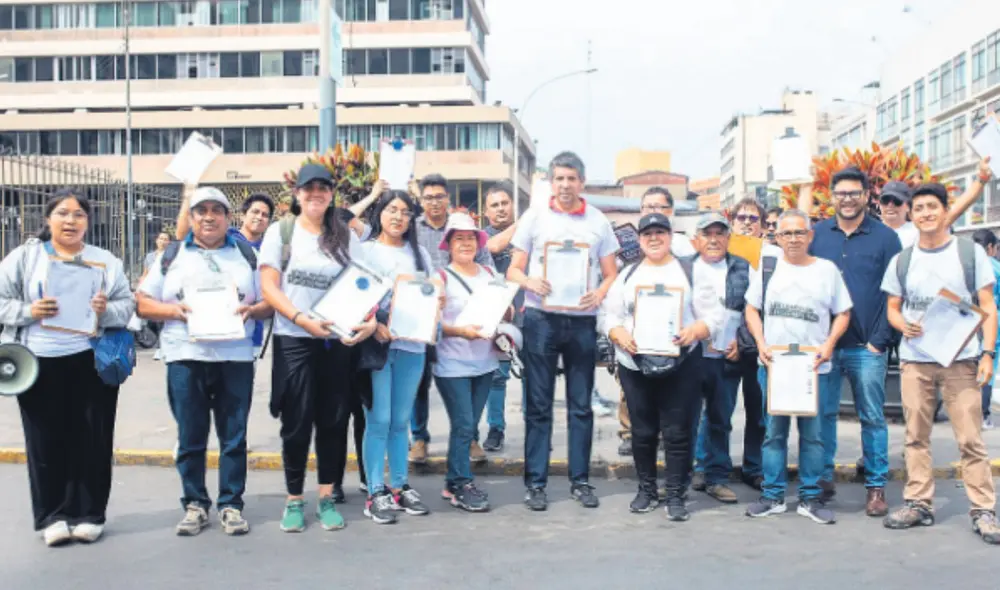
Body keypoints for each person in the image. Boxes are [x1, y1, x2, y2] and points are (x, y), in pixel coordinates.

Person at [0, 189, 134, 546]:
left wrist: (106, 310)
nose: (70, 221)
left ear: (88, 222)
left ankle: (90, 513)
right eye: (62, 213)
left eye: (78, 214)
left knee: (93, 438)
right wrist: (30, 311)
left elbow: (127, 305)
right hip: (37, 363)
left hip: (90, 360)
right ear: (48, 219)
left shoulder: (105, 260)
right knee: (45, 441)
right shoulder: (26, 258)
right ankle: (52, 515)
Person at [137, 187, 271, 537]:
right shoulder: (173, 254)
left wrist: (253, 310)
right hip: (185, 356)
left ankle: (231, 505)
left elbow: (269, 302)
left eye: (217, 210)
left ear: (229, 218)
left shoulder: (246, 254)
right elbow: (142, 302)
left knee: (234, 437)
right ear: (191, 217)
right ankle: (195, 504)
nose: (209, 217)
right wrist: (173, 311)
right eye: (201, 211)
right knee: (191, 436)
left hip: (235, 357)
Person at [258, 164, 377, 533]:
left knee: (334, 420)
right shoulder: (282, 232)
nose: (316, 195)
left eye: (323, 189)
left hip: (337, 341)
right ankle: (294, 499)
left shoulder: (345, 235)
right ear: (297, 194)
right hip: (294, 339)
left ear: (331, 195)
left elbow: (367, 284)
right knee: (295, 423)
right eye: (309, 188)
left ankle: (326, 496)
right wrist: (299, 318)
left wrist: (369, 322)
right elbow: (269, 287)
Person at [880, 183, 1000, 545]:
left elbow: (988, 307)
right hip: (916, 362)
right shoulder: (902, 259)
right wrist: (903, 325)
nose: (926, 213)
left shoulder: (969, 253)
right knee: (916, 437)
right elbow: (892, 308)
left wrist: (988, 355)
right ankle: (919, 503)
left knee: (971, 440)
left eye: (933, 206)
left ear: (944, 210)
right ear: (911, 215)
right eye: (919, 208)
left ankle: (983, 509)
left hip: (961, 361)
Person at [507, 151, 620, 511]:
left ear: (581, 182)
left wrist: (599, 293)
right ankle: (536, 483)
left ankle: (581, 480)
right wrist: (530, 281)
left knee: (581, 405)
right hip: (541, 319)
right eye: (559, 179)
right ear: (551, 183)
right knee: (538, 407)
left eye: (572, 178)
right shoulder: (534, 218)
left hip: (582, 321)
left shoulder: (598, 221)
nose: (566, 185)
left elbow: (611, 272)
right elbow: (513, 270)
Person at [744, 209, 852, 525]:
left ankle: (810, 497)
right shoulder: (767, 268)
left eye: (798, 232)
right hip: (775, 367)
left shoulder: (826, 270)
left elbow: (843, 313)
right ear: (777, 237)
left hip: (814, 368)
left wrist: (828, 345)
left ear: (810, 235)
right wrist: (761, 343)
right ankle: (773, 495)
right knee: (773, 435)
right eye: (786, 233)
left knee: (814, 436)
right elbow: (751, 309)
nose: (793, 239)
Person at [602, 213, 712, 520]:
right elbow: (608, 315)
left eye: (660, 232)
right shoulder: (627, 275)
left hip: (681, 363)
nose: (654, 238)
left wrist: (697, 331)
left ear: (670, 236)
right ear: (639, 239)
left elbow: (714, 315)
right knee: (643, 431)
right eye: (647, 233)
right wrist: (617, 332)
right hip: (635, 363)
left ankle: (675, 494)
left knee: (677, 433)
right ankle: (647, 490)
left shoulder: (690, 272)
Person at [806, 166, 901, 516]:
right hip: (825, 345)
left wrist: (881, 340)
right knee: (823, 415)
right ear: (831, 197)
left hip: (867, 346)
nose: (847, 199)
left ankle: (876, 487)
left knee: (873, 417)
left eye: (853, 193)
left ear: (866, 196)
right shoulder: (817, 235)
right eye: (841, 193)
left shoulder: (886, 238)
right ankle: (822, 478)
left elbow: (896, 291)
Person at [358, 189, 436, 524]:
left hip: (412, 345)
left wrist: (437, 304)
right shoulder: (365, 251)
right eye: (392, 209)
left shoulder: (420, 254)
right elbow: (354, 295)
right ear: (380, 213)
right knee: (379, 419)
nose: (398, 217)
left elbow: (430, 293)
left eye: (405, 212)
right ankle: (376, 490)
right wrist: (374, 324)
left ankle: (400, 485)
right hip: (376, 347)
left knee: (401, 421)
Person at [408, 174, 495, 466]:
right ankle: (419, 437)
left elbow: (488, 269)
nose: (434, 202)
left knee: (467, 387)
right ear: (421, 201)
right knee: (419, 382)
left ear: (448, 198)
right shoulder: (413, 230)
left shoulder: (463, 228)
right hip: (425, 314)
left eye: (439, 196)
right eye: (428, 197)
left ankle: (469, 439)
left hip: (466, 314)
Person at [614, 187, 698, 455]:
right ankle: (629, 432)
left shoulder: (685, 246)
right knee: (632, 393)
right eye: (647, 207)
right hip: (637, 337)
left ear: (670, 212)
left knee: (672, 401)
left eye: (659, 207)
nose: (652, 211)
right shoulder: (628, 244)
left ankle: (665, 434)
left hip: (672, 337)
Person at [434, 213, 507, 512]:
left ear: (479, 243)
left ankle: (452, 484)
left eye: (470, 238)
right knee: (464, 423)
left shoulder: (490, 274)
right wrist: (459, 331)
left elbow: (505, 310)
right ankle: (462, 482)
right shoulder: (439, 278)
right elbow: (433, 325)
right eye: (459, 238)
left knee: (468, 426)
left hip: (485, 362)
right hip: (452, 363)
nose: (465, 243)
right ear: (449, 244)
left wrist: (506, 318)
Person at [689, 212, 756, 504]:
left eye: (719, 234)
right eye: (707, 234)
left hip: (726, 354)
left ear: (729, 238)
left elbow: (753, 310)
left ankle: (716, 476)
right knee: (686, 418)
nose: (714, 240)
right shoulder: (682, 268)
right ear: (697, 239)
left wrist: (741, 342)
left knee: (720, 417)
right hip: (690, 355)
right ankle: (690, 472)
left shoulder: (743, 268)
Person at [718, 196, 776, 491]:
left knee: (759, 413)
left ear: (764, 226)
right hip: (726, 345)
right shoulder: (720, 254)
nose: (747, 223)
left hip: (759, 346)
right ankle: (712, 468)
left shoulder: (774, 257)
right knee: (718, 412)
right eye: (741, 218)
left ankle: (754, 467)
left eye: (753, 219)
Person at [479, 182, 521, 452]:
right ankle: (496, 429)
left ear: (513, 205)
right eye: (495, 204)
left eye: (505, 203)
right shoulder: (480, 238)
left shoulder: (530, 234)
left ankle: (536, 428)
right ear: (486, 211)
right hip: (499, 317)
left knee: (535, 376)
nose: (501, 208)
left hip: (531, 313)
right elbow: (493, 247)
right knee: (497, 376)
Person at [877, 158, 992, 250]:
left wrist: (981, 179)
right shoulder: (868, 230)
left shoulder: (921, 227)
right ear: (879, 204)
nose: (890, 205)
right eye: (886, 200)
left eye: (897, 201)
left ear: (908, 207)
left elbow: (957, 209)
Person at [973, 229, 1000, 429]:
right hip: (991, 322)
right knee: (988, 364)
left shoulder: (966, 264)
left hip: (966, 322)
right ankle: (982, 415)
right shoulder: (995, 267)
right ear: (990, 247)